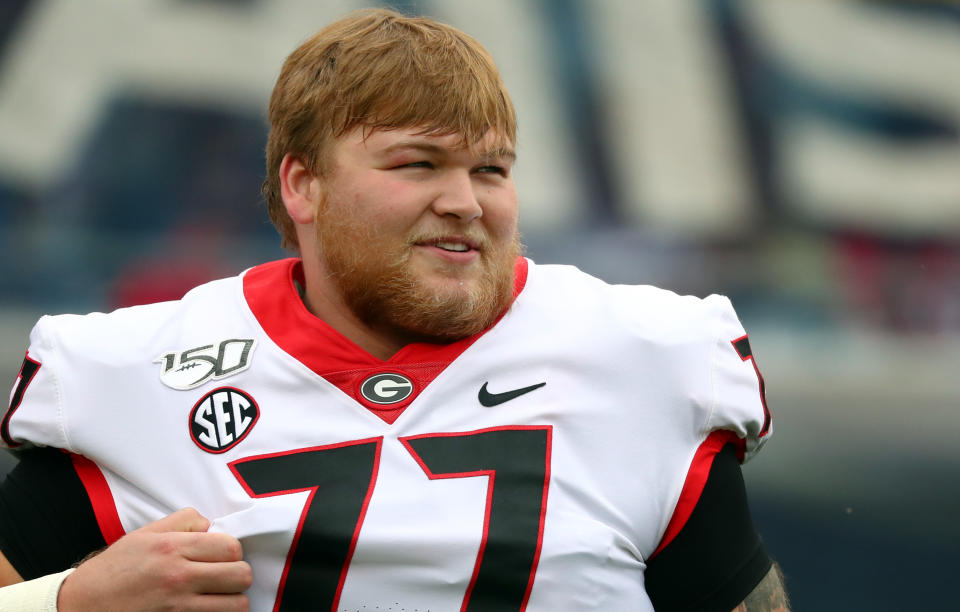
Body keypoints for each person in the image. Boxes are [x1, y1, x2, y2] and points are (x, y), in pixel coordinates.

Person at [0, 8, 789, 611]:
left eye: (491, 168)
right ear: (301, 186)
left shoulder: (641, 356)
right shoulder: (140, 375)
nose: (464, 202)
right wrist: (66, 601)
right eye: (418, 164)